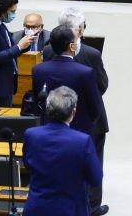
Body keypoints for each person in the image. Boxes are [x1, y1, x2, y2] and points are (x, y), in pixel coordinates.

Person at [44, 8, 110, 216]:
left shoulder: (47, 50)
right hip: (91, 119)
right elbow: (102, 84)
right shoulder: (92, 54)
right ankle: (92, 206)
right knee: (94, 161)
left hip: (57, 116)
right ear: (79, 30)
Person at [23, 86, 103, 216]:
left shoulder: (31, 135)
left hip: (37, 209)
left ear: (48, 109)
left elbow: (28, 164)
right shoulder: (82, 141)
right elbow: (96, 179)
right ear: (73, 111)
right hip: (71, 210)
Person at [32, 25, 103, 137]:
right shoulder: (85, 72)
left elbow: (37, 103)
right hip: (78, 133)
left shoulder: (38, 70)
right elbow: (95, 108)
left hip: (47, 131)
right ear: (71, 46)